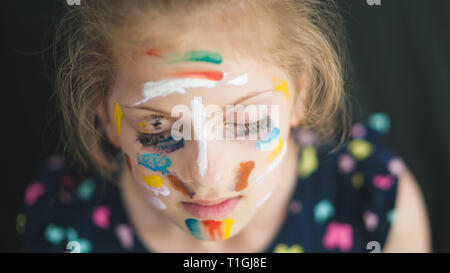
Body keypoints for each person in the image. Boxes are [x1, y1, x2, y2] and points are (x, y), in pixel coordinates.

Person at [19, 0, 430, 253]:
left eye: (248, 123)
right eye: (159, 128)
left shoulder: (370, 206)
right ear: (106, 118)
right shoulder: (65, 226)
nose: (207, 175)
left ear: (299, 98)